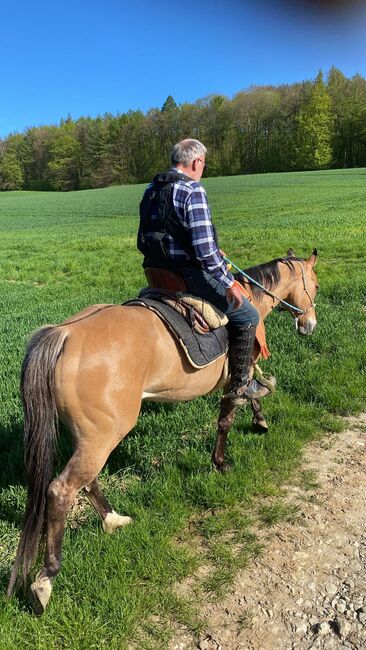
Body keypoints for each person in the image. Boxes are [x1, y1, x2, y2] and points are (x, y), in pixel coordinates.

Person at [137, 138, 267, 403]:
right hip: (187, 277)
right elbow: (206, 254)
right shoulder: (192, 190)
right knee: (248, 315)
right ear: (196, 162)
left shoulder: (151, 189)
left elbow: (155, 235)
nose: (203, 169)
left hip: (156, 273)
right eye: (203, 164)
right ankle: (240, 386)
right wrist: (230, 283)